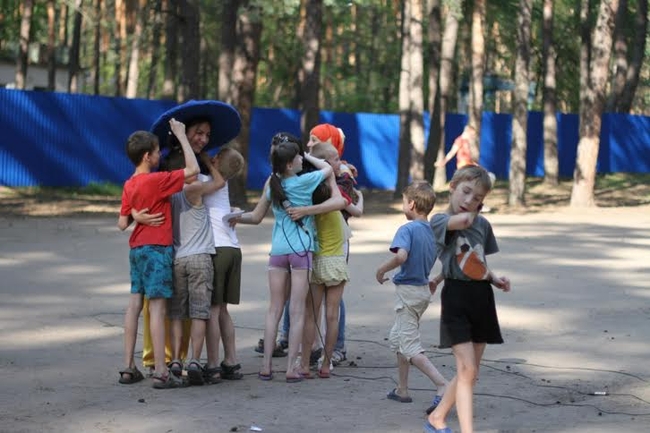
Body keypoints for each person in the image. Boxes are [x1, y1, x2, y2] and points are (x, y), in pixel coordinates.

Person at [140, 100, 241, 376]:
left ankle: (181, 359)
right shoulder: (170, 169)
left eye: (207, 135)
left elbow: (211, 197)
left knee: (184, 310)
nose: (203, 139)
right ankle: (169, 358)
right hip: (172, 247)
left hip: (190, 250)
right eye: (198, 133)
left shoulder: (201, 173)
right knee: (183, 308)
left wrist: (230, 211)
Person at [236, 133, 345, 382]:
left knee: (274, 309)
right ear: (289, 164)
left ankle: (266, 367)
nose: (300, 160)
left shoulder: (272, 183)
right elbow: (329, 169)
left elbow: (255, 217)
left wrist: (234, 217)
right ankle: (290, 368)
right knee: (297, 311)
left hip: (277, 252)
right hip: (301, 252)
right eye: (297, 158)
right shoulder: (304, 181)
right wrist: (308, 154)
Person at [424, 165, 511, 433]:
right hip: (456, 298)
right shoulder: (440, 220)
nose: (469, 200)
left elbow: (476, 259)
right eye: (465, 191)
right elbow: (462, 222)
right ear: (452, 187)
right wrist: (477, 205)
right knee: (467, 368)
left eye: (477, 198)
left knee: (470, 372)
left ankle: (437, 417)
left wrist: (494, 278)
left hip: (482, 298)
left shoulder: (483, 225)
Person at [117, 119, 198, 389]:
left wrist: (136, 216)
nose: (159, 155)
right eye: (156, 152)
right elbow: (193, 170)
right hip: (157, 250)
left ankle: (128, 367)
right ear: (146, 156)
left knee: (134, 306)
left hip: (136, 250)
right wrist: (182, 136)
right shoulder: (158, 180)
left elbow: (121, 223)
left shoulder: (129, 184)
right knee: (157, 308)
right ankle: (162, 371)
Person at [288, 143, 363, 378]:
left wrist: (309, 157)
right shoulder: (334, 193)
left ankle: (304, 364)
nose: (339, 164)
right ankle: (326, 364)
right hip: (336, 260)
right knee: (332, 315)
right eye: (335, 160)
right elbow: (352, 207)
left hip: (317, 260)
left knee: (311, 315)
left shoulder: (307, 192)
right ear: (326, 165)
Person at [374, 180, 448, 410]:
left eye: (404, 201)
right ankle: (402, 389)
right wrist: (436, 279)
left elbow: (401, 256)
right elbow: (448, 262)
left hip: (408, 294)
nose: (403, 205)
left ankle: (443, 385)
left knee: (410, 346)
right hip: (422, 292)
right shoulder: (433, 232)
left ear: (412, 204)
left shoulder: (407, 229)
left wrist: (382, 270)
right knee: (398, 339)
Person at [166, 151, 226, 386]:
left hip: (178, 259)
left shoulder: (169, 194)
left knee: (177, 313)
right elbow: (220, 183)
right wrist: (209, 164)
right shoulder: (194, 189)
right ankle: (194, 360)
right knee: (199, 312)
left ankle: (176, 360)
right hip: (200, 257)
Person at [202, 147, 246, 383]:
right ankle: (231, 360)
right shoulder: (225, 183)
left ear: (217, 162)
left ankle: (212, 364)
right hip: (233, 249)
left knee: (212, 310)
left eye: (216, 156)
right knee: (223, 310)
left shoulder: (206, 181)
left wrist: (204, 160)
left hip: (217, 249)